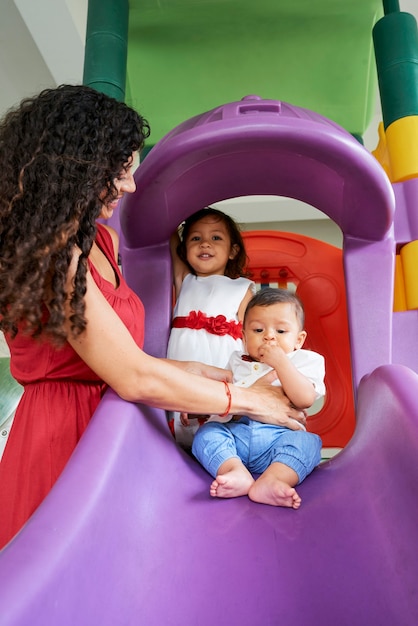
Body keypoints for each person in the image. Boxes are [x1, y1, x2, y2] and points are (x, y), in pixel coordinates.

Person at [0, 85, 306, 549]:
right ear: (74, 164)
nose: (130, 184)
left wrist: (218, 375)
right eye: (121, 169)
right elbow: (132, 375)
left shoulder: (99, 242)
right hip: (66, 435)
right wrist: (247, 401)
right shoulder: (53, 256)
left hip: (116, 426)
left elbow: (114, 358)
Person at [192, 288, 325, 509]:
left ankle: (275, 479)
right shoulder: (237, 361)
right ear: (244, 338)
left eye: (281, 331)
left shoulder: (305, 360)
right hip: (236, 437)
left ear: (299, 339)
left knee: (308, 443)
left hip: (279, 440)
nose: (269, 336)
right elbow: (226, 395)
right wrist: (199, 405)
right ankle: (233, 470)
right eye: (258, 329)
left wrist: (281, 362)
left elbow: (304, 399)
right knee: (207, 433)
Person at [167, 207, 256, 447]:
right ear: (185, 251)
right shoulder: (184, 279)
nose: (205, 244)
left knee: (221, 426)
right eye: (196, 238)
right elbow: (169, 228)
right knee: (183, 423)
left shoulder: (242, 288)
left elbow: (250, 340)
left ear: (232, 251)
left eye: (216, 238)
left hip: (222, 366)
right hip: (186, 366)